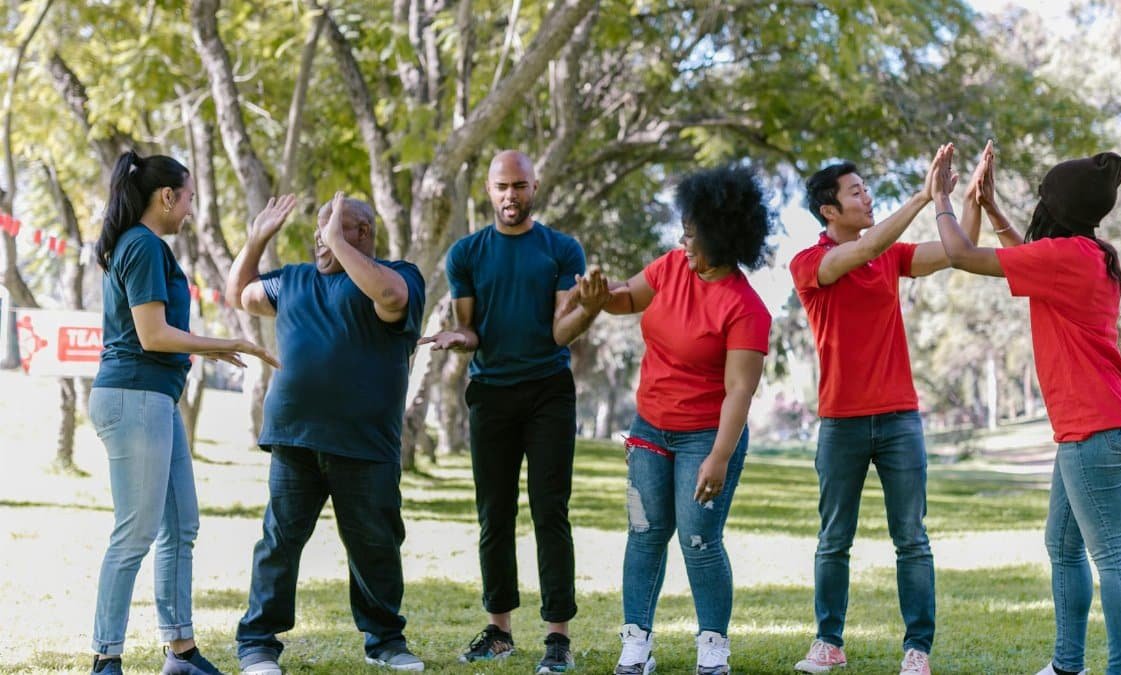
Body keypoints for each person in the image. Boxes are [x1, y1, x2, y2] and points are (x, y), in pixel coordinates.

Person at [931, 144, 1121, 675]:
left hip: (1090, 425)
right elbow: (1028, 255)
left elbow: (960, 254)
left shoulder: (1064, 259)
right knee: (1063, 544)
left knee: (1111, 556)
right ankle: (1067, 665)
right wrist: (996, 210)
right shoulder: (1089, 255)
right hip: (1095, 421)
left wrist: (941, 200)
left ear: (1059, 207)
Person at [790, 145, 980, 675]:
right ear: (829, 210)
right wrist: (922, 195)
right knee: (834, 540)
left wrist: (969, 200)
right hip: (841, 422)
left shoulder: (890, 257)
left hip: (899, 419)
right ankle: (828, 641)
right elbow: (865, 247)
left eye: (865, 188)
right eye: (856, 191)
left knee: (912, 539)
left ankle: (917, 650)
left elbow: (959, 250)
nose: (867, 196)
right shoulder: (811, 263)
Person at [88, 151, 280, 675]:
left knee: (181, 524)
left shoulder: (143, 245)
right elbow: (152, 335)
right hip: (134, 396)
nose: (192, 209)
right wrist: (224, 342)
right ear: (167, 196)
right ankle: (106, 658)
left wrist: (210, 349)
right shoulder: (143, 246)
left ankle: (182, 654)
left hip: (156, 398)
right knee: (135, 532)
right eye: (189, 197)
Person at [226, 192, 427, 674]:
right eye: (319, 229)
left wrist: (338, 242)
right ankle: (257, 644)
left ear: (363, 233)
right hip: (295, 439)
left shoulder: (400, 277)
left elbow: (391, 299)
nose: (322, 237)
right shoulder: (294, 279)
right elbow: (242, 294)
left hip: (365, 444)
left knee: (375, 544)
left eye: (334, 227)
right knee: (279, 543)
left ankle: (385, 641)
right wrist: (255, 241)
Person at [420, 150, 600, 674]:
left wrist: (587, 309)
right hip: (491, 393)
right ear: (489, 190)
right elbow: (473, 329)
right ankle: (499, 631)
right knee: (493, 514)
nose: (510, 196)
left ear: (534, 187)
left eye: (519, 186)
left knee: (550, 509)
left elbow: (558, 330)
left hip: (548, 390)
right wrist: (458, 337)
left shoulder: (561, 249)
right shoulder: (466, 254)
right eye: (502, 187)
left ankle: (557, 637)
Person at [592, 166, 772, 675]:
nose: (683, 242)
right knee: (645, 533)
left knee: (699, 540)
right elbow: (627, 298)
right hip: (650, 428)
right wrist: (600, 294)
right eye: (683, 233)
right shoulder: (670, 267)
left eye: (692, 235)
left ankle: (713, 645)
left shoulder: (745, 307)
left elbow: (740, 389)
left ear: (721, 236)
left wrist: (718, 456)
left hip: (706, 438)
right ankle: (636, 642)